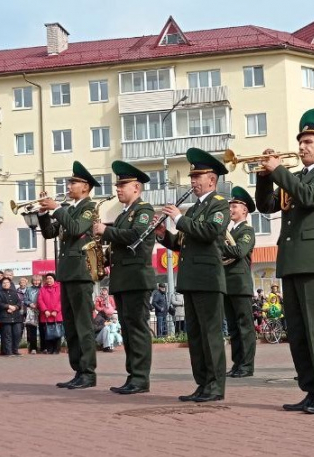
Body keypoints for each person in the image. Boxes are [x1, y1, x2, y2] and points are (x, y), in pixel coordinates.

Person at [255, 108, 314, 414]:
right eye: (301, 141)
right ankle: (309, 389)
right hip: (291, 259)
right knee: (297, 330)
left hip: (312, 260)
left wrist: (278, 171)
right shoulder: (293, 177)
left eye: (309, 141)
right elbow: (266, 206)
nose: (302, 146)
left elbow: (307, 197)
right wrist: (265, 178)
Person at [156, 148, 230, 402]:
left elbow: (210, 231)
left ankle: (215, 386)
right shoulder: (195, 209)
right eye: (192, 177)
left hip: (208, 279)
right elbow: (183, 243)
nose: (193, 181)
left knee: (211, 335)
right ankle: (202, 383)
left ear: (212, 179)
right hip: (192, 278)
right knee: (196, 337)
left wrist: (178, 218)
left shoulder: (219, 204)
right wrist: (163, 235)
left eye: (198, 177)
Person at [93, 160, 156, 395]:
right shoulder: (123, 214)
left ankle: (140, 378)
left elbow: (136, 234)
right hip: (123, 279)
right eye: (118, 185)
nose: (118, 189)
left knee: (137, 329)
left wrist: (105, 231)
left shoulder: (144, 210)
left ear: (136, 188)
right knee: (128, 330)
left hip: (137, 278)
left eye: (123, 185)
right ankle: (133, 376)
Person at [39, 161, 100, 390]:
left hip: (81, 273)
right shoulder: (71, 209)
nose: (69, 185)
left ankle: (88, 372)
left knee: (84, 326)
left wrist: (56, 209)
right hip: (67, 273)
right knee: (72, 327)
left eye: (73, 182)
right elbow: (50, 233)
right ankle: (78, 370)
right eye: (70, 181)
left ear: (85, 186)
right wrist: (44, 215)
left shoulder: (89, 208)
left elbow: (75, 229)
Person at [222, 186, 257, 378]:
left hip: (240, 284)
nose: (231, 209)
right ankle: (237, 364)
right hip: (227, 283)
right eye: (231, 206)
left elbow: (238, 252)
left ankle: (247, 365)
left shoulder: (247, 231)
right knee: (234, 329)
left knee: (245, 327)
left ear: (244, 210)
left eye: (235, 206)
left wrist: (218, 244)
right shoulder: (228, 231)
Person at [0, 277, 22, 356]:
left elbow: (19, 303)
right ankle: (8, 351)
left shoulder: (14, 292)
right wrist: (8, 306)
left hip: (16, 316)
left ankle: (15, 350)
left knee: (17, 333)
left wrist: (15, 307)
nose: (6, 284)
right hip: (4, 316)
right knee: (7, 334)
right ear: (1, 284)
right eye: (4, 283)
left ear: (10, 284)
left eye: (7, 283)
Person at [38, 273, 63, 354]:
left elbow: (61, 300)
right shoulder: (42, 289)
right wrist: (45, 310)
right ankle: (49, 349)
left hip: (57, 314)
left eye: (50, 278)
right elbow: (40, 300)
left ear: (54, 279)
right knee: (47, 333)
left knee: (57, 332)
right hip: (46, 315)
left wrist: (56, 310)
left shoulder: (60, 287)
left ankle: (56, 349)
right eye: (47, 278)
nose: (48, 280)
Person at [23, 275, 42, 354]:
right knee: (32, 330)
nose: (36, 282)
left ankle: (43, 347)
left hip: (41, 310)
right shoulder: (28, 289)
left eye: (38, 280)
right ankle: (33, 348)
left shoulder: (42, 289)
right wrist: (30, 304)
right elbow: (25, 299)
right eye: (35, 280)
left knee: (42, 329)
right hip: (31, 310)